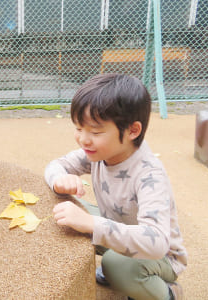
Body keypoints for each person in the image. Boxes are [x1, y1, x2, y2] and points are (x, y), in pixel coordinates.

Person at [44, 74, 187, 300]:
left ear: (132, 131)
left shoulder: (149, 174)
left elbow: (157, 241)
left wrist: (92, 223)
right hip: (121, 229)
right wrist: (59, 179)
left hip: (162, 256)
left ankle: (168, 293)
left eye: (95, 132)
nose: (83, 139)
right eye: (79, 128)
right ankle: (121, 265)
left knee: (115, 265)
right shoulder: (101, 152)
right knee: (66, 209)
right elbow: (56, 165)